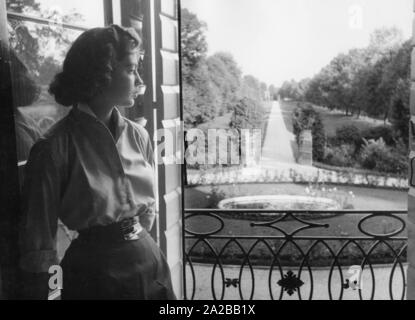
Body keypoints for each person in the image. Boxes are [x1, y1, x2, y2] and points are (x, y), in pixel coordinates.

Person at [19, 24, 176, 300]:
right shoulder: (53, 148)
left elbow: (148, 212)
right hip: (94, 277)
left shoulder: (138, 135)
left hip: (150, 264)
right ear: (100, 75)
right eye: (130, 69)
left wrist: (142, 246)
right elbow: (39, 245)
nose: (139, 79)